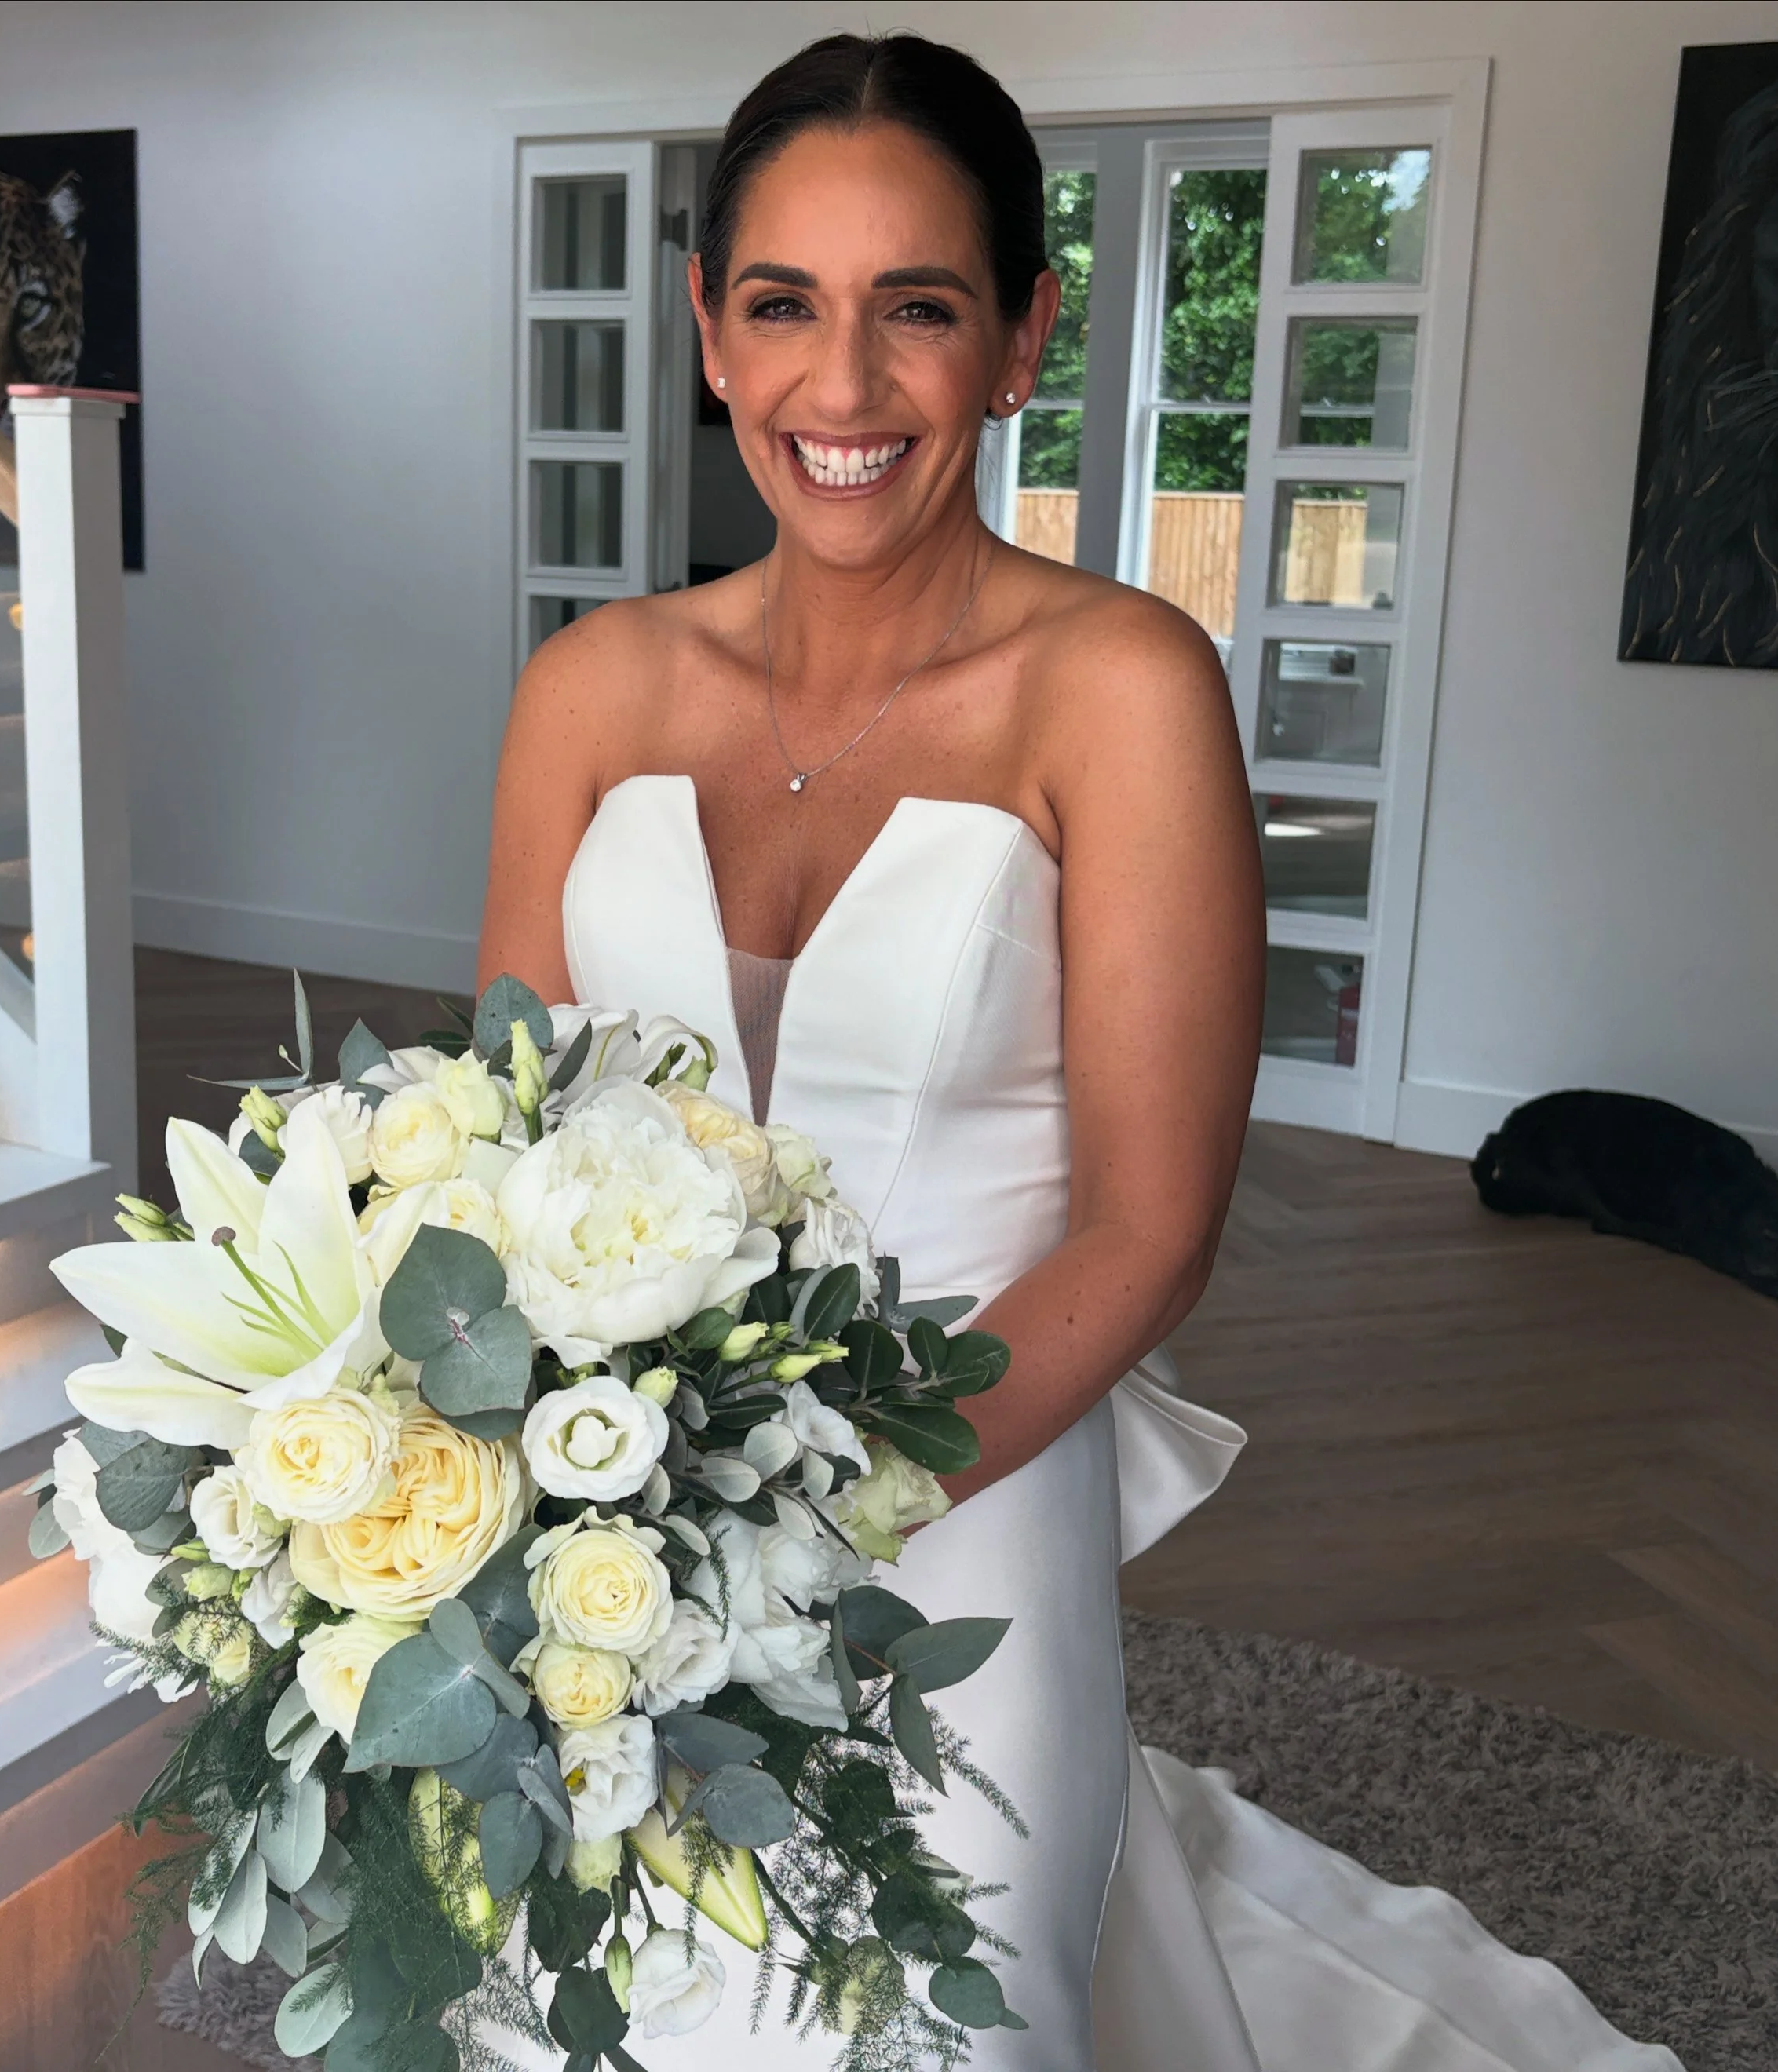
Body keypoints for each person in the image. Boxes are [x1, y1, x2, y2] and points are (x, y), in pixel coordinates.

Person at [479, 32, 1681, 2072]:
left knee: (930, 2013)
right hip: (608, 1513)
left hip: (964, 1478)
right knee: (576, 1990)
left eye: (917, 310)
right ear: (705, 327)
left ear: (1023, 335)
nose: (839, 390)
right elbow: (490, 1137)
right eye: (781, 303)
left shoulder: (1117, 687)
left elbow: (1143, 1229)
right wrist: (547, 1486)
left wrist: (801, 1519)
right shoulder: (588, 686)